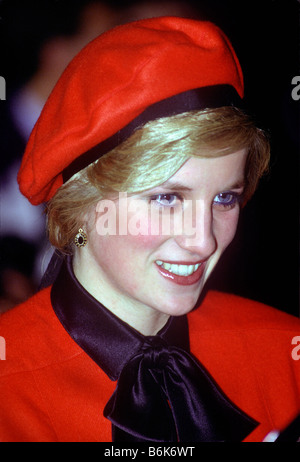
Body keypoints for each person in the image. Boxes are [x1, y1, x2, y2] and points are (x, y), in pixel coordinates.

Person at [0, 16, 299, 443]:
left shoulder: (287, 355)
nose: (203, 240)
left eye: (225, 198)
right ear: (81, 205)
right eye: (166, 198)